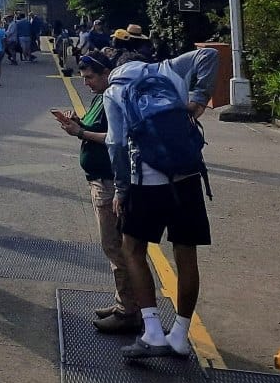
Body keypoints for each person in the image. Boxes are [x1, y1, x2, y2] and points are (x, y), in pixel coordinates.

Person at [100, 46, 219, 360]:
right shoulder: (168, 68)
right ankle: (179, 334)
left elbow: (116, 144)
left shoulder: (114, 90)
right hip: (187, 177)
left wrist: (121, 191)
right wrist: (198, 100)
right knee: (186, 255)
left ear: (116, 68)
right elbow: (209, 55)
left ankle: (153, 331)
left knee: (132, 249)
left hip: (147, 182)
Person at [53, 51, 140, 334]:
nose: (86, 82)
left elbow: (115, 138)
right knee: (115, 246)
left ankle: (128, 311)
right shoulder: (100, 98)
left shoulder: (112, 98)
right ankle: (124, 302)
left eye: (90, 77)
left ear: (106, 74)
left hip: (108, 182)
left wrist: (79, 133)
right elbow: (97, 128)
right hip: (100, 180)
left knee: (115, 246)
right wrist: (77, 123)